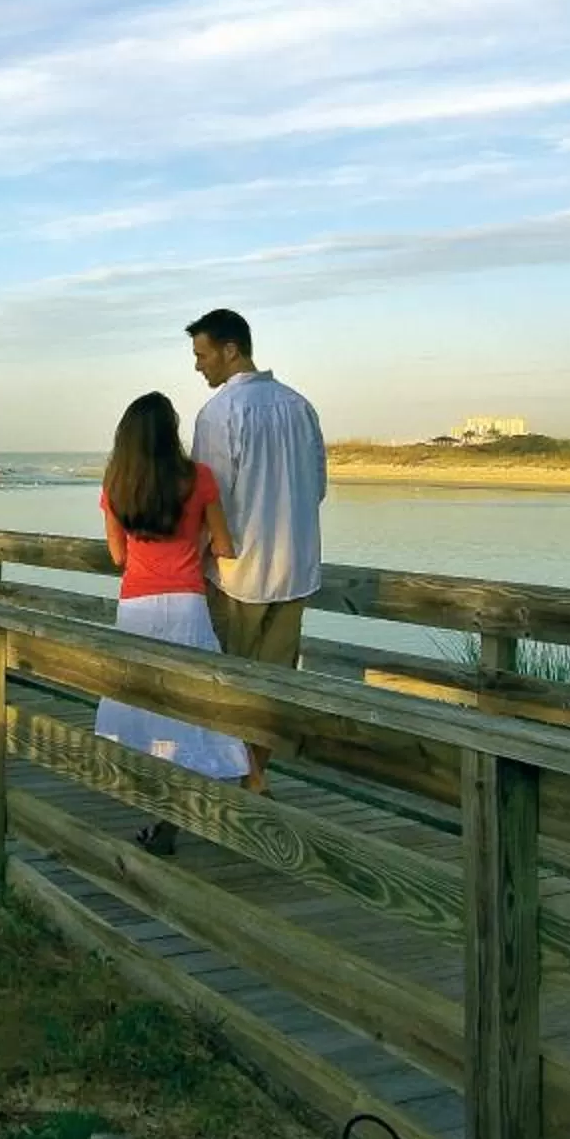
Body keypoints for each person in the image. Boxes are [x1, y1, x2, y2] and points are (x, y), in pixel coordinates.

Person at [93, 392, 253, 838]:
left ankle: (148, 790)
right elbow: (225, 546)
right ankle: (197, 793)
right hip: (186, 602)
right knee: (194, 698)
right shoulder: (197, 479)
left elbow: (116, 554)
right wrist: (197, 541)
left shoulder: (117, 483)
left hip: (137, 604)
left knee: (139, 694)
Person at [185, 307, 326, 791]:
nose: (198, 366)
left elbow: (211, 499)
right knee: (275, 686)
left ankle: (241, 779)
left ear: (230, 350)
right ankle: (257, 774)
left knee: (231, 683)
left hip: (238, 571)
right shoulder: (300, 406)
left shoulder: (220, 413)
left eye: (203, 355)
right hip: (298, 569)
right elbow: (319, 487)